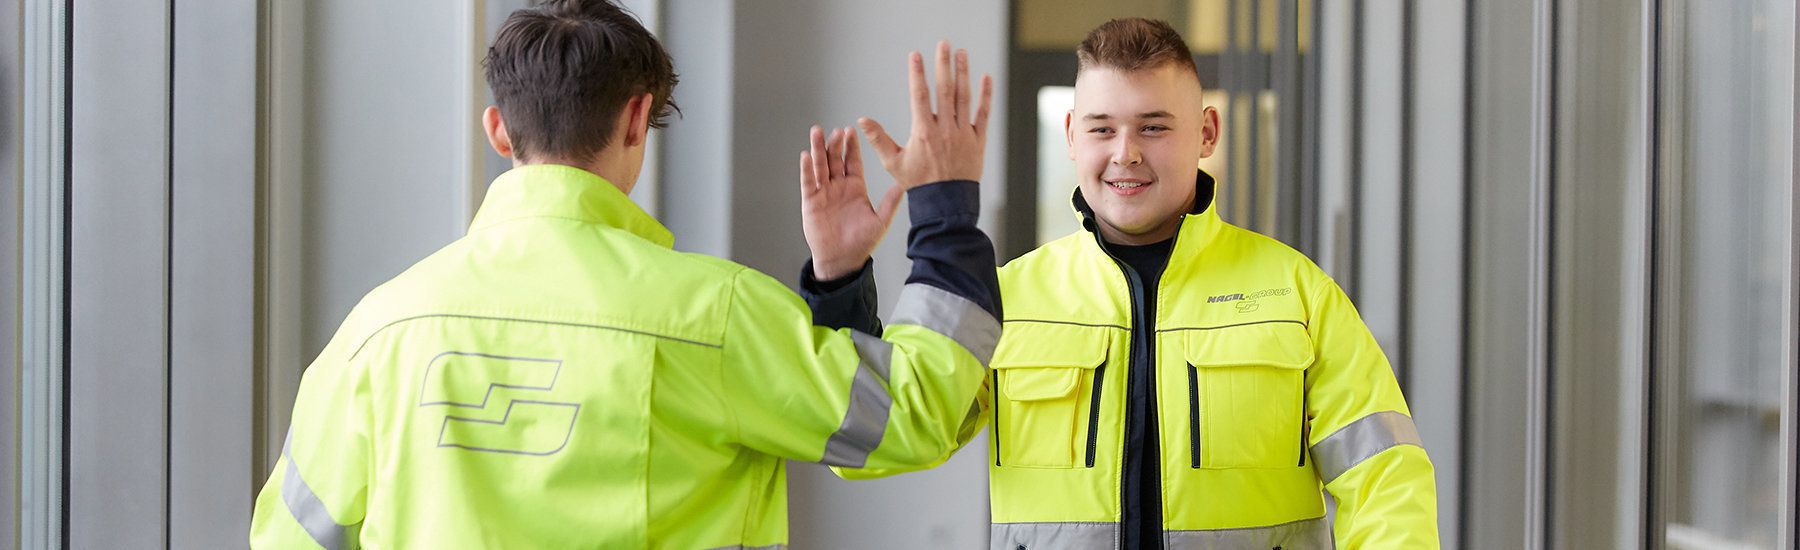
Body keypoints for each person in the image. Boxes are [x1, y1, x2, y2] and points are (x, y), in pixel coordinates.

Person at [248, 1, 999, 547]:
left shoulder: (379, 329)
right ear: (638, 119)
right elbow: (909, 412)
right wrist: (944, 212)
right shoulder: (715, 316)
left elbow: (290, 539)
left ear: (499, 129)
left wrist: (839, 283)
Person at [817, 17, 1439, 549]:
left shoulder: (1297, 293)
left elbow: (1385, 477)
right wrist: (841, 277)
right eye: (1101, 127)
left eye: (1154, 126)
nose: (1125, 152)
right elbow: (877, 437)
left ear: (1206, 133)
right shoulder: (1009, 298)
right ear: (1070, 136)